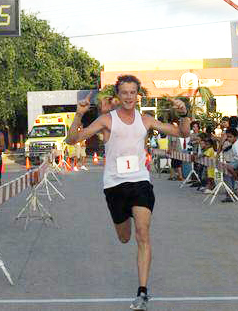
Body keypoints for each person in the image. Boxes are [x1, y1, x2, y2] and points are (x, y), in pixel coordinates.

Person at [66, 75, 190, 310]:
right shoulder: (107, 120)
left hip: (140, 182)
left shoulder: (146, 120)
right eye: (124, 92)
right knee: (124, 237)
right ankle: (126, 228)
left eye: (132, 92)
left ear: (137, 95)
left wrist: (184, 114)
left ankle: (142, 292)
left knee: (142, 234)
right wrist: (80, 114)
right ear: (118, 95)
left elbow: (182, 134)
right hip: (114, 185)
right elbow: (73, 140)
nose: (129, 97)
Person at [221, 127, 238, 203]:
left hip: (237, 161)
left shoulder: (237, 144)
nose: (228, 139)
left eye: (230, 137)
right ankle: (230, 191)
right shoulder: (233, 144)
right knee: (226, 169)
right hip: (235, 161)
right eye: (227, 137)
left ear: (236, 137)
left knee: (228, 167)